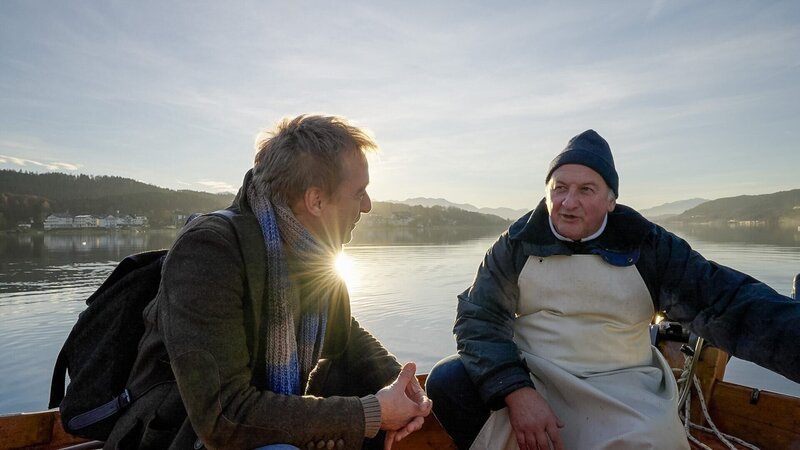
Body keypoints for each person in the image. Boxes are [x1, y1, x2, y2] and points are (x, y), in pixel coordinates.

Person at [425, 129, 800, 450]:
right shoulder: (517, 244)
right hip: (535, 376)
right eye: (560, 189)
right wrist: (516, 391)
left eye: (586, 190)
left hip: (623, 385)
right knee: (447, 380)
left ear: (611, 200)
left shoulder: (649, 247)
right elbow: (479, 318)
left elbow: (728, 304)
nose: (569, 203)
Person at [105, 115, 432, 450]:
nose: (367, 206)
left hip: (242, 424)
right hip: (177, 434)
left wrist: (401, 384)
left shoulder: (314, 251)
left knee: (354, 392)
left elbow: (346, 335)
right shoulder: (208, 252)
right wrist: (371, 413)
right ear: (316, 200)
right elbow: (225, 417)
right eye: (359, 192)